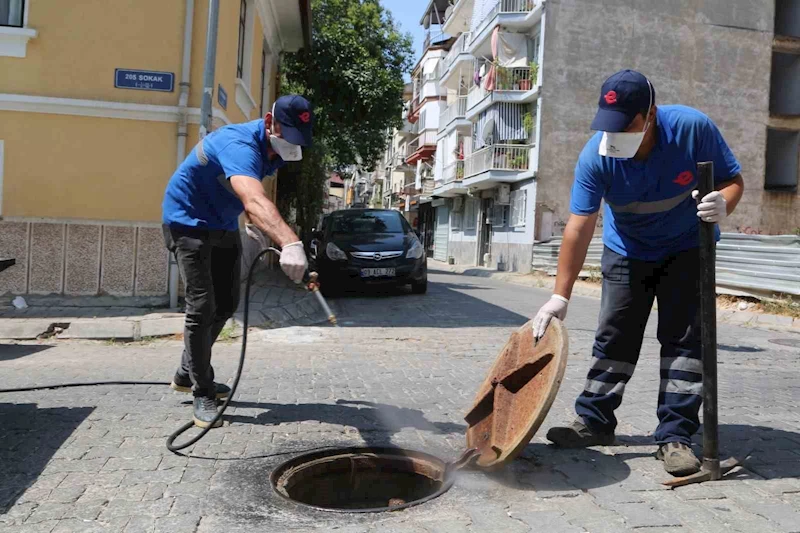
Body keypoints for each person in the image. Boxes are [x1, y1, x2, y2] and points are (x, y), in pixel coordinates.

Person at [533, 70, 744, 477]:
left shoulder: (691, 129)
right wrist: (561, 295)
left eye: (626, 125)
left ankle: (675, 436)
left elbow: (733, 179)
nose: (615, 135)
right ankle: (594, 420)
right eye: (608, 125)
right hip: (626, 250)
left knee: (684, 341)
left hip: (687, 248)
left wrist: (724, 204)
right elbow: (579, 225)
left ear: (651, 115)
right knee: (615, 335)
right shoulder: (596, 156)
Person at [161, 95, 313, 428]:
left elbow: (241, 189)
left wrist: (251, 222)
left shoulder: (274, 151)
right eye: (287, 134)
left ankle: (188, 371)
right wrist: (289, 241)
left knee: (227, 303)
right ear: (270, 121)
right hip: (186, 223)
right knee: (202, 305)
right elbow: (253, 195)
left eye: (299, 138)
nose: (292, 144)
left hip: (223, 225)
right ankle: (202, 391)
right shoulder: (239, 143)